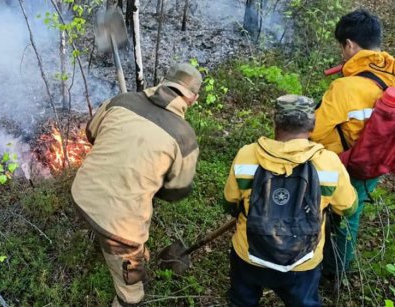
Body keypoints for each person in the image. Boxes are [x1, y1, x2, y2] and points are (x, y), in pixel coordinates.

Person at [71, 63, 202, 307]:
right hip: (119, 226)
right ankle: (126, 295)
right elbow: (177, 192)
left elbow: (91, 133)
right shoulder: (185, 137)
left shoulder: (122, 100)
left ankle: (110, 240)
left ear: (164, 81)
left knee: (113, 221)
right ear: (193, 98)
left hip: (81, 193)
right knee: (133, 290)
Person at [223, 95, 358, 306]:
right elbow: (348, 208)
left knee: (242, 301)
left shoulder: (247, 155)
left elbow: (230, 201)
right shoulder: (329, 162)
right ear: (312, 125)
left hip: (249, 254)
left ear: (275, 122)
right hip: (303, 261)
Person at [310, 9, 395, 277]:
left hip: (346, 165)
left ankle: (333, 270)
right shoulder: (391, 74)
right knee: (352, 211)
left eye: (342, 48)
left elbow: (313, 132)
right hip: (380, 160)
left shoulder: (346, 88)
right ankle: (338, 268)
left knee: (340, 214)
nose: (342, 55)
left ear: (350, 44)